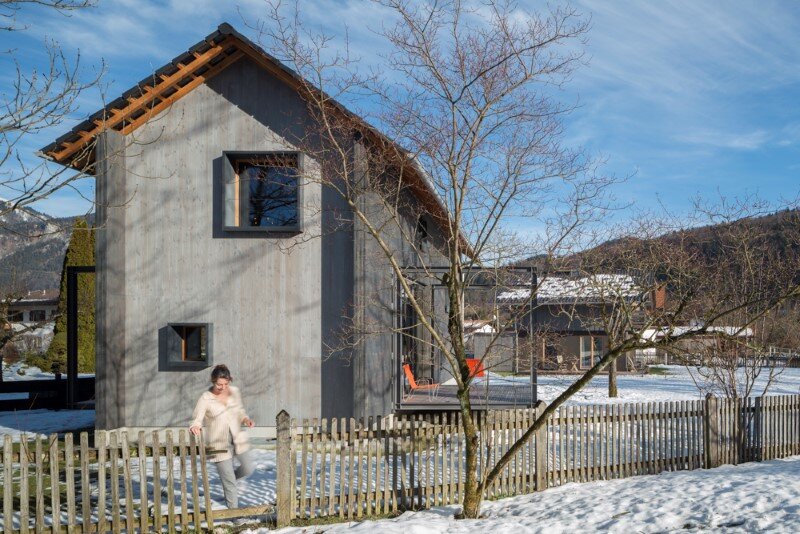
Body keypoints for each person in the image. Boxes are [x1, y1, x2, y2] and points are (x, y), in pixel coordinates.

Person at [190, 364, 255, 509]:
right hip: (218, 444)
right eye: (219, 384)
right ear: (213, 381)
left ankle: (227, 479)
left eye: (226, 384)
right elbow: (197, 417)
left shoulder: (234, 392)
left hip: (237, 440)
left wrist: (246, 419)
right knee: (230, 483)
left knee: (248, 468)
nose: (223, 387)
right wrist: (195, 426)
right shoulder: (206, 398)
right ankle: (234, 515)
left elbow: (239, 411)